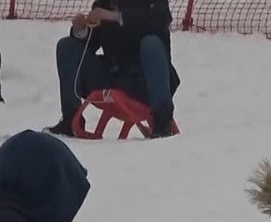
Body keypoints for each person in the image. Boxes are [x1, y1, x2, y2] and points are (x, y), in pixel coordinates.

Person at [48, 0, 180, 138]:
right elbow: (91, 43)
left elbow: (159, 20)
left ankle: (162, 122)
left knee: (151, 43)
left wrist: (116, 16)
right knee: (67, 46)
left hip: (145, 83)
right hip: (113, 76)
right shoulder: (104, 3)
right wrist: (81, 30)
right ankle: (71, 119)